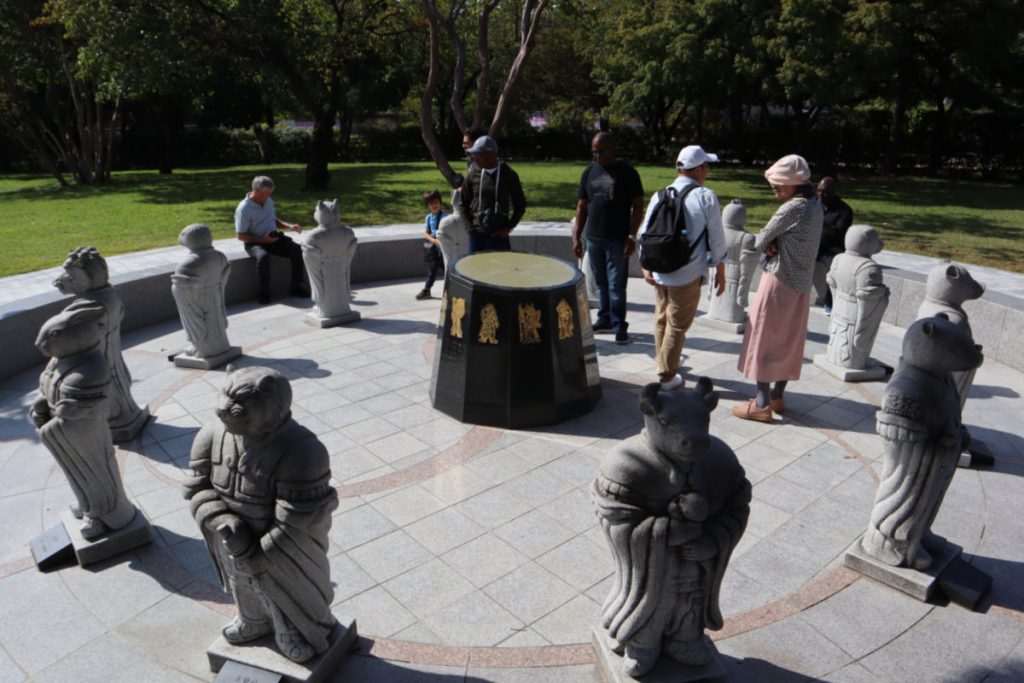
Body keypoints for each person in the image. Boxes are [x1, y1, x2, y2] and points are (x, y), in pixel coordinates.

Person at [733, 154, 823, 422]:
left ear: (791, 183)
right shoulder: (815, 204)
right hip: (801, 285)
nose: (776, 193)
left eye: (778, 187)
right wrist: (774, 241)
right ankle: (777, 397)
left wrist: (769, 242)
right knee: (789, 340)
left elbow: (759, 240)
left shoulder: (792, 208)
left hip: (778, 281)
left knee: (762, 337)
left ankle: (760, 404)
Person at [639, 145, 727, 391]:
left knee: (661, 319)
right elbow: (717, 238)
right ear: (698, 169)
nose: (708, 170)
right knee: (677, 324)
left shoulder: (660, 194)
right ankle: (666, 375)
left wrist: (645, 263)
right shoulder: (706, 196)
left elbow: (644, 231)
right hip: (687, 271)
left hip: (659, 267)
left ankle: (663, 364)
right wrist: (720, 267)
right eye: (707, 166)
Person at [573, 132, 645, 345]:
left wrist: (632, 236)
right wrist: (577, 236)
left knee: (616, 285)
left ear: (613, 149)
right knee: (601, 283)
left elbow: (638, 206)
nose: (597, 156)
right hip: (594, 237)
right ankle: (604, 319)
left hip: (617, 239)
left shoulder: (627, 173)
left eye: (601, 152)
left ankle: (619, 324)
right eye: (594, 152)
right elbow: (582, 206)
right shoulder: (589, 172)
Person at [235, 176, 308, 304]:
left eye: (269, 194)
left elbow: (272, 219)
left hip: (273, 238)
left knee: (297, 250)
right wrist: (262, 240)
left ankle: (296, 287)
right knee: (263, 258)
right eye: (265, 194)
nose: (268, 196)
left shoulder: (268, 201)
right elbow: (241, 235)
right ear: (256, 191)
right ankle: (265, 294)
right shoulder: (244, 209)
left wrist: (288, 226)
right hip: (254, 242)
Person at [459, 136, 527, 253]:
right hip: (477, 236)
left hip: (499, 238)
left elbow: (520, 205)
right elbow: (462, 204)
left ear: (490, 154)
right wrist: (470, 229)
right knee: (474, 270)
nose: (474, 158)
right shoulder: (473, 174)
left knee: (500, 270)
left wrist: (508, 227)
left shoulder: (509, 175)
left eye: (477, 154)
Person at [816, 176, 854, 313]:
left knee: (834, 267)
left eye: (825, 192)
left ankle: (828, 303)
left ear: (833, 192)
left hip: (831, 248)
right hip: (814, 245)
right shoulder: (815, 204)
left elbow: (839, 233)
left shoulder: (844, 210)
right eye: (819, 191)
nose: (821, 194)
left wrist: (822, 223)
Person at [417, 189, 447, 300]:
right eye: (431, 204)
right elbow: (425, 232)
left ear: (440, 203)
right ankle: (426, 290)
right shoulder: (429, 218)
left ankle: (451, 290)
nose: (434, 205)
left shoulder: (445, 216)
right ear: (428, 206)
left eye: (436, 203)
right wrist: (433, 240)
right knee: (432, 270)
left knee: (448, 271)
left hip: (444, 248)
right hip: (434, 248)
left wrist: (441, 241)